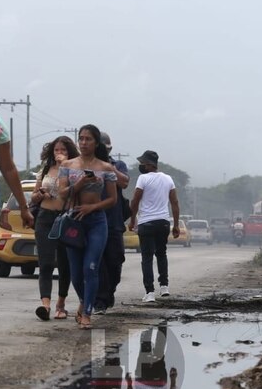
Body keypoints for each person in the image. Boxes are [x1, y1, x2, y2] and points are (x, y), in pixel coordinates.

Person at [58, 125, 118, 330]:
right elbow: (63, 193)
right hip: (74, 222)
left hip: (97, 222)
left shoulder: (106, 168)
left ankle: (87, 313)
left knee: (90, 267)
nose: (83, 143)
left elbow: (112, 199)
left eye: (88, 139)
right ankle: (84, 300)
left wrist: (93, 206)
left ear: (96, 143)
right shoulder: (67, 165)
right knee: (76, 273)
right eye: (81, 139)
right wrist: (82, 182)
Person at [30, 136, 78, 321]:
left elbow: (77, 191)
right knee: (46, 263)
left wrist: (65, 166)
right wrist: (39, 194)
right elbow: (34, 196)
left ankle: (61, 304)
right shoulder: (45, 171)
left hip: (65, 219)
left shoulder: (74, 170)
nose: (59, 154)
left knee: (65, 264)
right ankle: (45, 305)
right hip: (45, 218)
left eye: (63, 150)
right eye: (57, 150)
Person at [129, 150, 180, 302]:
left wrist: (132, 220)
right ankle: (164, 286)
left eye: (143, 163)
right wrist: (175, 224)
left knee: (147, 257)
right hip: (163, 222)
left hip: (147, 223)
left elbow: (135, 200)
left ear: (149, 164)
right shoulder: (168, 179)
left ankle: (149, 292)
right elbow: (175, 203)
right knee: (161, 254)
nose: (141, 166)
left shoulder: (143, 178)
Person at [93, 132, 130, 315]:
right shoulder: (88, 165)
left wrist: (108, 167)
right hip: (93, 220)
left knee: (115, 260)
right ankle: (100, 300)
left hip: (114, 221)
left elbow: (124, 183)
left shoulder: (118, 165)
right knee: (98, 262)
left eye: (104, 148)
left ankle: (109, 292)